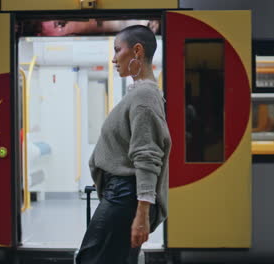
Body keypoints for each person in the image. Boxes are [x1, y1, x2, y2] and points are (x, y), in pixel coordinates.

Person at [75, 25, 171, 264]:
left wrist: (142, 214)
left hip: (124, 196)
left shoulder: (144, 96)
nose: (113, 58)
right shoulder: (139, 94)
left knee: (91, 259)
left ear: (137, 51)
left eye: (118, 50)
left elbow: (147, 156)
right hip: (121, 194)